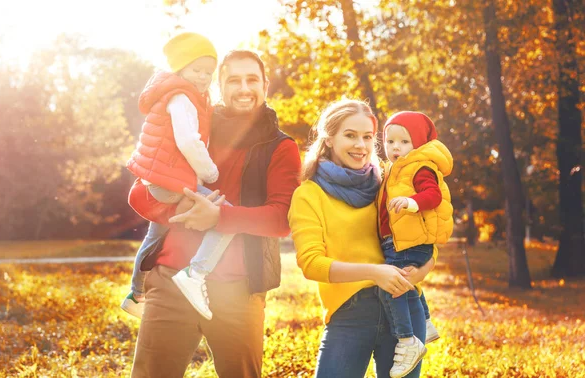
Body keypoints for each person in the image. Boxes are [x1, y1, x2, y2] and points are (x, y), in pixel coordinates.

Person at [127, 49, 302, 378]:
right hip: (170, 280)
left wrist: (218, 218)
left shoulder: (281, 147)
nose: (244, 88)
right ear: (220, 86)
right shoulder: (192, 129)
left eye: (252, 79)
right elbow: (140, 192)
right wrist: (184, 207)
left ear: (265, 85)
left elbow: (281, 219)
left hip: (240, 290)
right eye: (233, 80)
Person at [288, 99, 434, 378]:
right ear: (329, 139)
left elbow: (427, 236)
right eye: (350, 135)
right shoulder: (309, 194)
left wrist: (420, 271)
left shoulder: (388, 184)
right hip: (349, 314)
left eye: (367, 137)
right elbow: (311, 263)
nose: (361, 145)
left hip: (404, 309)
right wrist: (375, 273)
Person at [122, 32, 236, 321]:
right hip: (169, 180)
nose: (203, 77)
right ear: (181, 69)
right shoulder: (181, 97)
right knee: (227, 217)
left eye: (209, 73)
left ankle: (135, 294)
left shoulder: (179, 94)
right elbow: (188, 141)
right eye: (197, 70)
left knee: (156, 233)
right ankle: (195, 274)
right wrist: (210, 171)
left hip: (158, 179)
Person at [377, 111, 453, 377]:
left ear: (418, 144)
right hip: (400, 242)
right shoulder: (394, 170)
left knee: (390, 288)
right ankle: (427, 323)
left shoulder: (419, 167)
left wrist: (412, 202)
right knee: (408, 282)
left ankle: (408, 340)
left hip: (412, 242)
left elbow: (433, 195)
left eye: (404, 142)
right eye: (390, 141)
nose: (396, 147)